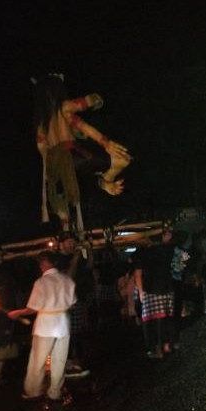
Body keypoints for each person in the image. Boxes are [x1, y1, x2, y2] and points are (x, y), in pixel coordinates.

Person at [33, 73, 131, 230]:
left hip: (59, 168)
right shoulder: (64, 107)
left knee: (69, 198)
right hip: (73, 157)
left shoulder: (42, 125)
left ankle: (101, 182)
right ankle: (104, 181)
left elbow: (42, 149)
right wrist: (97, 99)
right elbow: (86, 105)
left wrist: (52, 177)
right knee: (123, 159)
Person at [9, 250, 76, 401]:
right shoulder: (68, 280)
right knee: (59, 360)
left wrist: (18, 313)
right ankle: (55, 392)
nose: (40, 265)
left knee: (37, 360)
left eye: (41, 262)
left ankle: (33, 390)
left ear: (45, 263)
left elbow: (33, 307)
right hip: (63, 324)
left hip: (45, 324)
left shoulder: (41, 282)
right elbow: (72, 303)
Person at [135, 228, 176, 359]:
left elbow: (138, 273)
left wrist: (141, 292)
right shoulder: (170, 249)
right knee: (166, 318)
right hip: (167, 289)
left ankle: (157, 349)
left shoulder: (142, 252)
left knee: (153, 322)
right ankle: (167, 345)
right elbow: (182, 262)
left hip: (151, 290)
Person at [57, 232, 93, 377]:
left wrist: (90, 250)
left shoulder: (77, 258)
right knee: (67, 332)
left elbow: (89, 267)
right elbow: (68, 277)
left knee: (77, 332)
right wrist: (75, 259)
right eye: (69, 242)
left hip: (78, 297)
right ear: (62, 243)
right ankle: (68, 363)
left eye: (73, 242)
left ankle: (75, 362)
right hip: (64, 300)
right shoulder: (58, 259)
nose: (72, 244)